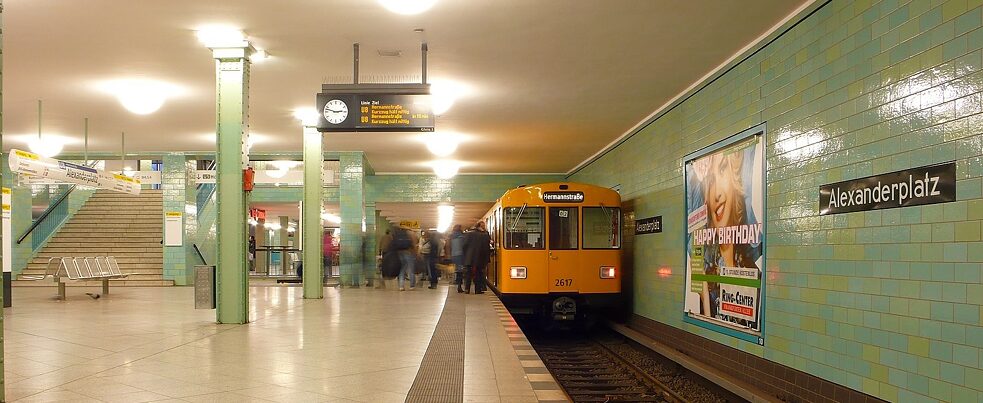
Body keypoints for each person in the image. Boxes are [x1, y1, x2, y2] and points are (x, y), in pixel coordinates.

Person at [462, 221, 492, 294]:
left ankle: (467, 289)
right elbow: (486, 248)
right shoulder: (484, 235)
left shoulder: (468, 234)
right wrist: (486, 257)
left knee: (468, 273)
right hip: (480, 257)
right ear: (480, 227)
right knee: (478, 273)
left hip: (469, 257)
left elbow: (464, 246)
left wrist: (466, 254)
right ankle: (477, 290)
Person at [392, 224, 419, 291]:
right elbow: (413, 244)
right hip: (408, 252)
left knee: (402, 269)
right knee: (411, 268)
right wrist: (416, 253)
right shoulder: (410, 234)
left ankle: (401, 286)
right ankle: (412, 285)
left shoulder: (396, 234)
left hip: (399, 252)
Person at [449, 225, 466, 293]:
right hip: (460, 255)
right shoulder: (462, 236)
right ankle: (459, 285)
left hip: (453, 255)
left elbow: (449, 246)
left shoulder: (451, 236)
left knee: (455, 269)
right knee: (460, 271)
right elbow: (464, 246)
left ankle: (454, 280)